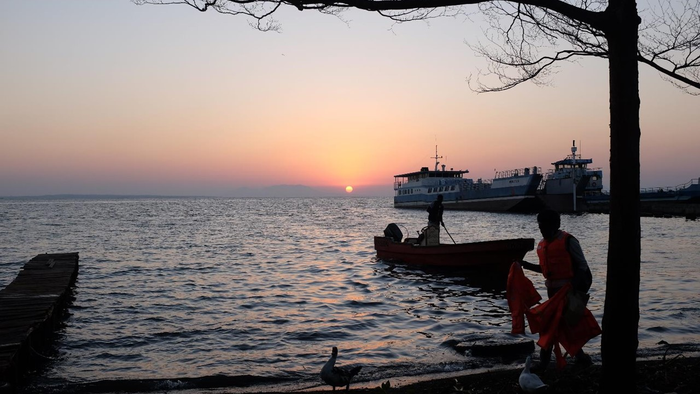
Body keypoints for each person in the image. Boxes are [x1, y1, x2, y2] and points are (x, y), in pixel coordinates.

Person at [518, 209, 593, 371]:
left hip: (568, 295)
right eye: (539, 227)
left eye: (544, 226)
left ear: (554, 225)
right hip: (553, 296)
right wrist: (524, 265)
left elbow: (582, 266)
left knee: (549, 326)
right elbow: (545, 270)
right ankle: (581, 357)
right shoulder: (542, 245)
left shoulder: (569, 241)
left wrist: (572, 288)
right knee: (563, 328)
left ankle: (545, 363)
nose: (541, 230)